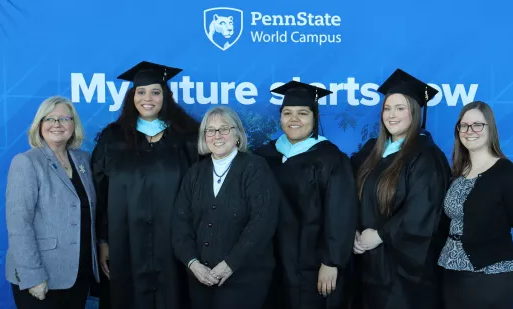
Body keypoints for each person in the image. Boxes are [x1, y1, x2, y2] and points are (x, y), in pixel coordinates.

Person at [91, 61, 200, 309]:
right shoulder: (113, 138)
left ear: (166, 97)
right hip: (125, 241)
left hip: (174, 244)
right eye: (141, 92)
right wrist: (103, 241)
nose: (147, 98)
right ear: (132, 97)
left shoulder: (187, 139)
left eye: (155, 92)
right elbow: (101, 192)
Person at [350, 69, 451, 309]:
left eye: (400, 108)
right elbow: (352, 195)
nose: (391, 115)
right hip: (369, 265)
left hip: (404, 276)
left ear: (414, 113)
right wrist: (353, 231)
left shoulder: (426, 156)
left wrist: (380, 235)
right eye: (387, 108)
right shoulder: (371, 152)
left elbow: (422, 209)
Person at [255, 81, 358, 309]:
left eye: (302, 113)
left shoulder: (331, 159)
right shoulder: (264, 155)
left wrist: (331, 262)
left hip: (312, 263)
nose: (294, 119)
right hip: (271, 260)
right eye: (287, 113)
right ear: (280, 117)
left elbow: (341, 213)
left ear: (314, 117)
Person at [172, 106, 280, 309]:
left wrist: (230, 264)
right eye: (210, 130)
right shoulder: (195, 173)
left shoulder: (255, 167)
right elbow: (180, 224)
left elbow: (263, 222)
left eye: (224, 129)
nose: (217, 135)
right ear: (204, 137)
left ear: (237, 134)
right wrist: (193, 263)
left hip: (244, 279)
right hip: (200, 279)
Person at [438, 101, 513, 309]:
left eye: (477, 125)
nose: (469, 131)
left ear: (490, 129)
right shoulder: (458, 174)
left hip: (491, 279)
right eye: (464, 125)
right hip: (451, 276)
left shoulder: (509, 175)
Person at [5, 96, 99, 309]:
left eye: (64, 119)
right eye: (50, 119)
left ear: (73, 125)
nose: (57, 125)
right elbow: (19, 224)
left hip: (78, 274)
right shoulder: (27, 162)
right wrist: (33, 276)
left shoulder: (84, 160)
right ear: (40, 125)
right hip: (42, 276)